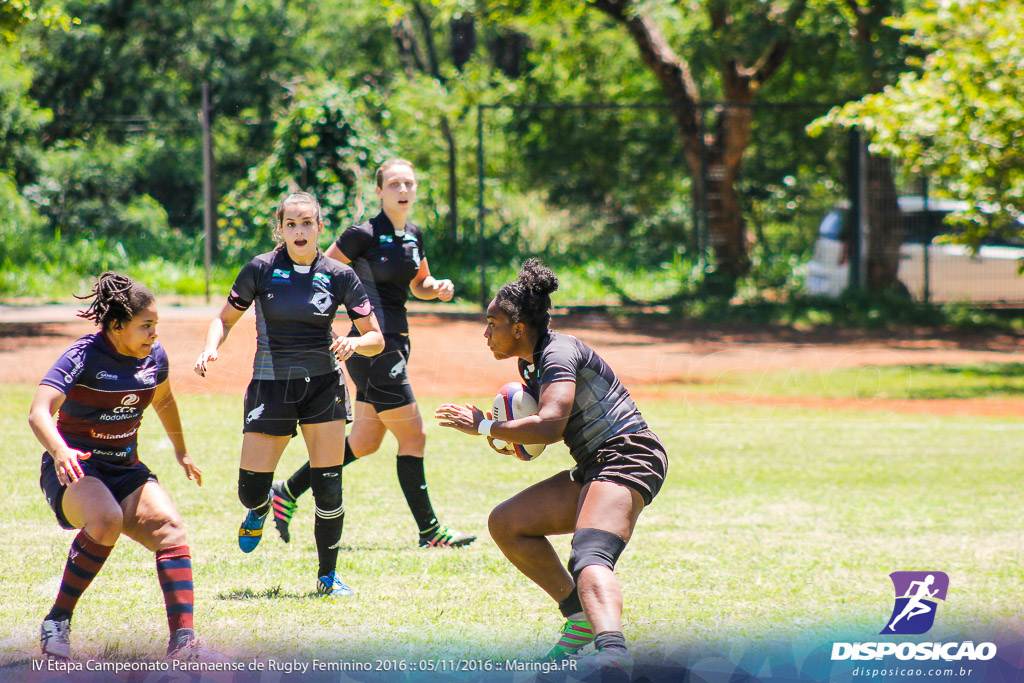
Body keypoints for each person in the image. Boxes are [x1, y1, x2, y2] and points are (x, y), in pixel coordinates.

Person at [434, 259, 668, 673]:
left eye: (492, 323)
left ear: (519, 328)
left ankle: (613, 653)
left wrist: (487, 425)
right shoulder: (530, 363)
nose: (485, 333)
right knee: (507, 523)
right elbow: (550, 429)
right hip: (594, 463)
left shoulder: (558, 353)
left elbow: (550, 422)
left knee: (590, 554)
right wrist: (511, 435)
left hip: (628, 455)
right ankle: (578, 618)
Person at [270, 159, 476, 549]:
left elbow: (419, 284)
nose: (403, 190)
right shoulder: (362, 234)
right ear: (379, 191)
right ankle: (430, 533)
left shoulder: (413, 234)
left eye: (409, 184)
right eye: (395, 183)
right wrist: (315, 321)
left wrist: (438, 286)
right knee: (414, 435)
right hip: (372, 349)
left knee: (364, 441)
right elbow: (322, 272)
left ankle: (288, 490)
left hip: (397, 343)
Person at [194, 191, 384, 597]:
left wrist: (355, 344)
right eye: (291, 224)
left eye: (307, 223)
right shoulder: (260, 269)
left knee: (329, 483)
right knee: (249, 488)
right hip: (271, 383)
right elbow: (223, 320)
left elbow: (376, 338)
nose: (300, 230)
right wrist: (212, 346)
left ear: (319, 227)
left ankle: (327, 578)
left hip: (323, 386)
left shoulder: (338, 274)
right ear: (280, 229)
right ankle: (261, 509)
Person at [29, 272, 204, 660]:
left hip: (125, 467)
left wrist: (182, 451)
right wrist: (61, 451)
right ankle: (57, 620)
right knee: (105, 519)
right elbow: (39, 412)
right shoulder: (83, 356)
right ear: (116, 325)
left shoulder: (154, 357)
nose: (154, 334)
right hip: (76, 468)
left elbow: (165, 401)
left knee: (171, 530)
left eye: (156, 325)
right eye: (145, 326)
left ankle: (184, 643)